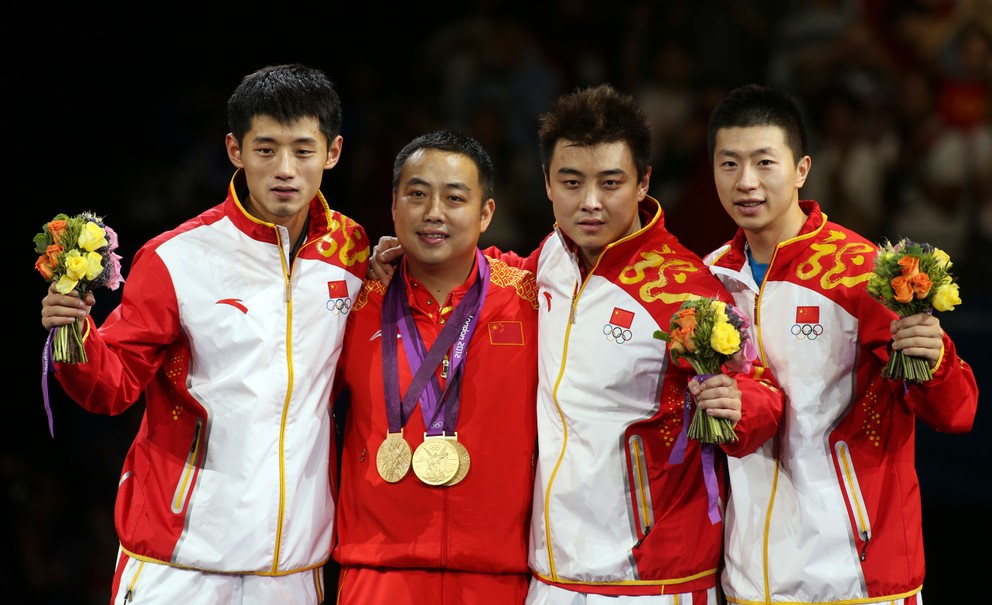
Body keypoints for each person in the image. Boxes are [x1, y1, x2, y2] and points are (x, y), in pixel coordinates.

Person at [371, 84, 784, 604]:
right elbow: (486, 271)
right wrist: (411, 257)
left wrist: (740, 405)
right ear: (547, 183)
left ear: (643, 183)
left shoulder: (688, 291)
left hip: (655, 581)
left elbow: (762, 395)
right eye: (571, 182)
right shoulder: (550, 261)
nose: (589, 203)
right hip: (550, 574)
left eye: (610, 183)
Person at [39, 63, 369, 604]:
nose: (285, 169)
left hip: (291, 569)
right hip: (179, 559)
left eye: (303, 151)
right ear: (235, 150)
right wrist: (75, 334)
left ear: (332, 152)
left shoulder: (353, 254)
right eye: (266, 150)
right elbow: (112, 385)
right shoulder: (177, 258)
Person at [703, 83, 979, 604]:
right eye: (729, 164)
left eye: (765, 163)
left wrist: (936, 358)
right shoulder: (708, 280)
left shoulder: (862, 274)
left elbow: (956, 412)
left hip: (854, 578)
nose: (746, 183)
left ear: (802, 168)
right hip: (748, 582)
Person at [332, 129, 539, 604]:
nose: (434, 213)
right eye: (418, 194)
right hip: (376, 575)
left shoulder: (529, 296)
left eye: (454, 198)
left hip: (498, 577)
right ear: (394, 205)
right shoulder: (353, 301)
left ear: (486, 212)